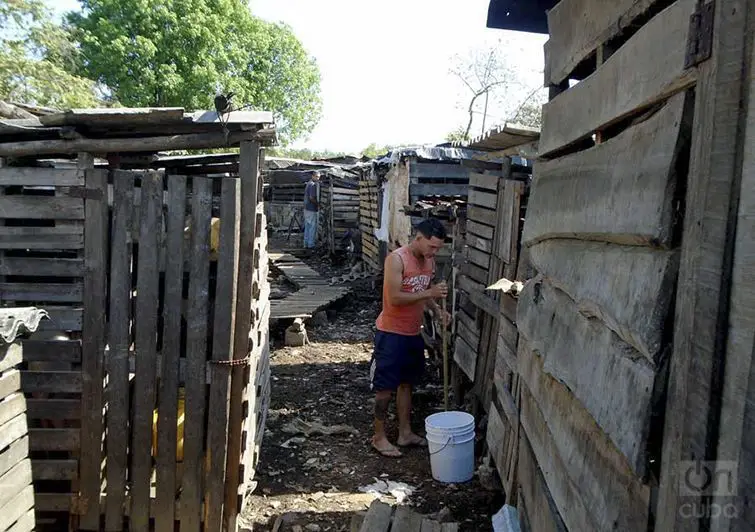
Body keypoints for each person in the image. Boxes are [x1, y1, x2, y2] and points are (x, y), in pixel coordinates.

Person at [370, 218, 450, 458]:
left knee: (407, 384)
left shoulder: (428, 262)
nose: (434, 252)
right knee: (384, 388)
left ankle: (405, 433)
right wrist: (430, 292)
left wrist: (437, 310)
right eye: (431, 246)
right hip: (390, 334)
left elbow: (421, 293)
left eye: (437, 248)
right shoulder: (396, 259)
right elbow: (395, 297)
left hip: (413, 332)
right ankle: (379, 436)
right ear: (418, 238)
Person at [303, 171, 320, 248]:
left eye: (318, 177)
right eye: (316, 176)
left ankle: (305, 243)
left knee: (307, 226)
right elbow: (311, 198)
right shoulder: (312, 185)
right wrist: (318, 204)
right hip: (311, 208)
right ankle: (311, 244)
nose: (318, 178)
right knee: (312, 227)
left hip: (306, 208)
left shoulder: (308, 184)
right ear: (312, 176)